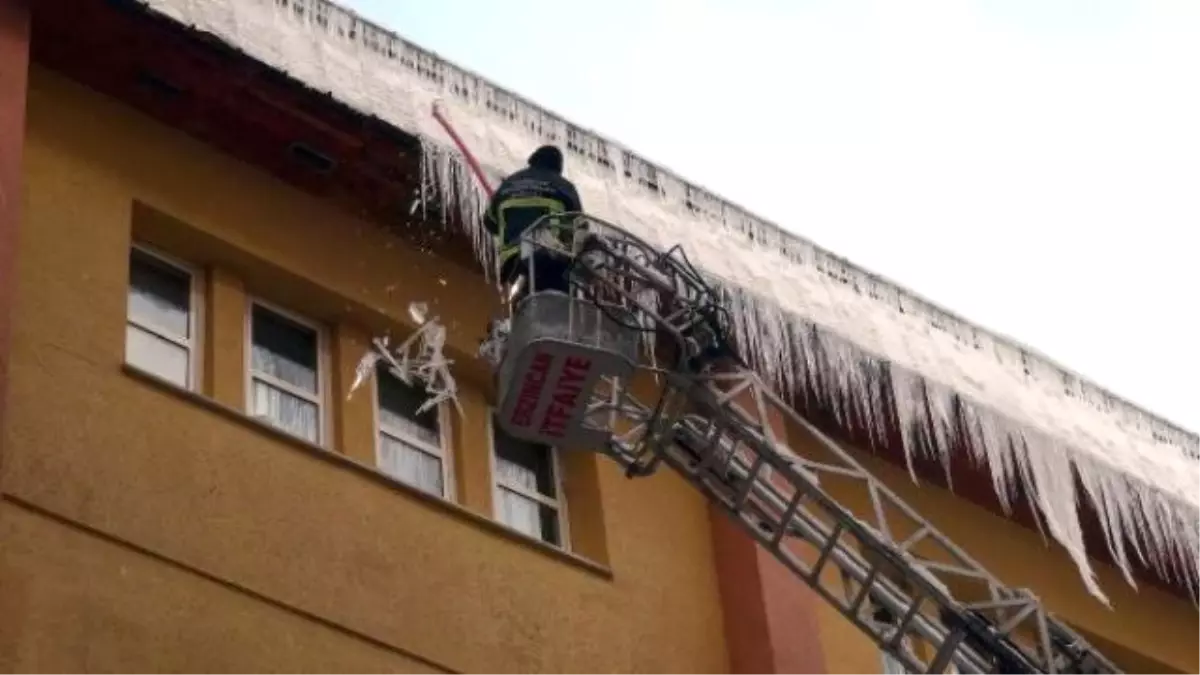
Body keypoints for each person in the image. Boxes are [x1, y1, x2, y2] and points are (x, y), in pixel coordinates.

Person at [483, 145, 584, 302]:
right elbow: (579, 229)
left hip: (513, 260)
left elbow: (490, 222)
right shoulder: (564, 186)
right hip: (549, 258)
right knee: (558, 306)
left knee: (524, 303)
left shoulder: (509, 183)